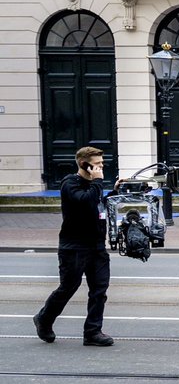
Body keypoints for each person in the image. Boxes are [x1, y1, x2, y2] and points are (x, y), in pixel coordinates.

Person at [34, 146, 122, 346]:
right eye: (97, 164)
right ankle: (44, 318)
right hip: (74, 247)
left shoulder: (94, 186)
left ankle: (92, 332)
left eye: (102, 164)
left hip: (97, 246)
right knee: (68, 287)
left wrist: (114, 191)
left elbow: (98, 205)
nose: (101, 167)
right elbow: (84, 202)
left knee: (99, 289)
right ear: (84, 164)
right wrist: (98, 182)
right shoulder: (70, 183)